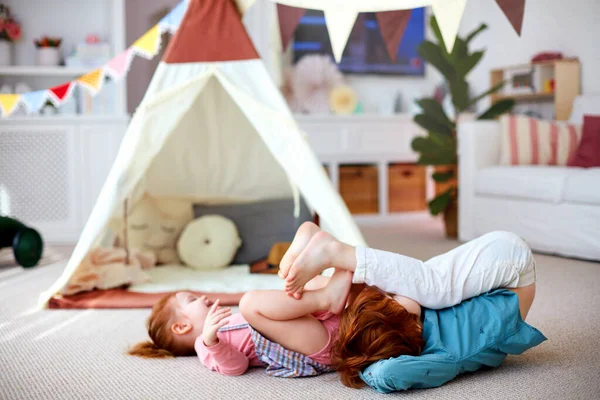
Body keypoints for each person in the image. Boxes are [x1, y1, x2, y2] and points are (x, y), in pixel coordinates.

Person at [278, 222, 537, 387]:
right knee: (434, 288)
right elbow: (388, 373)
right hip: (511, 267)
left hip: (493, 270)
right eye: (392, 300)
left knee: (426, 286)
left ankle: (330, 263)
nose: (390, 293)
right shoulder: (445, 356)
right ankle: (337, 255)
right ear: (407, 328)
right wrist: (364, 367)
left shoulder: (415, 318)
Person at [129, 270, 362, 377]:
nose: (203, 297)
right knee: (249, 301)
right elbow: (236, 367)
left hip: (319, 326)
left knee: (302, 279)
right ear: (182, 327)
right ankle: (328, 296)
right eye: (192, 300)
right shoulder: (205, 345)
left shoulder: (229, 319)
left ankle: (346, 292)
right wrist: (213, 342)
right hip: (316, 348)